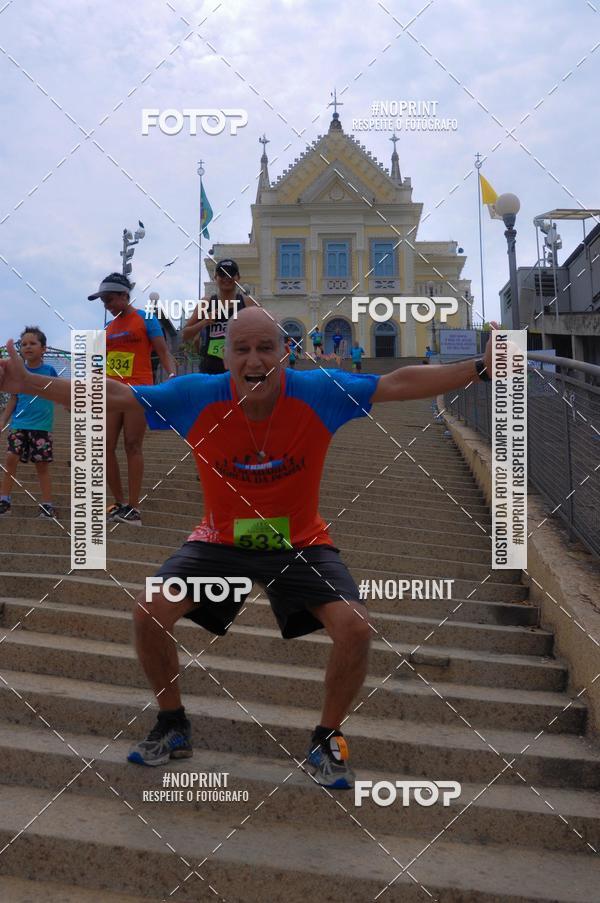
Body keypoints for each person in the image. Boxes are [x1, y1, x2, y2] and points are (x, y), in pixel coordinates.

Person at [0, 309, 497, 789]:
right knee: (149, 611)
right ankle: (173, 722)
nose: (254, 360)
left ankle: (326, 737)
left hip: (299, 542)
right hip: (220, 540)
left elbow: (399, 384)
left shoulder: (320, 391)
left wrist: (478, 367)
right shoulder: (196, 395)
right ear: (227, 355)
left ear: (287, 353)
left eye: (266, 347)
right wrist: (27, 383)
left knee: (355, 628)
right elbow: (115, 393)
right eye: (242, 349)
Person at [88, 272, 177, 526]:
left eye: (110, 299)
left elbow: (163, 351)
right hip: (111, 391)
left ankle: (134, 507)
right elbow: (98, 363)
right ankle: (118, 502)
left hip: (138, 391)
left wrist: (171, 376)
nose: (107, 305)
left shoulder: (146, 319)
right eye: (104, 301)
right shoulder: (108, 328)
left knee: (132, 445)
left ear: (125, 296)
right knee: (104, 447)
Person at [0, 327, 58, 518]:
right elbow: (14, 398)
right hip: (19, 423)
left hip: (41, 427)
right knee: (10, 459)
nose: (27, 347)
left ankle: (47, 504)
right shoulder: (17, 371)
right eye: (24, 344)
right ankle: (4, 500)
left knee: (41, 466)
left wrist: (71, 406)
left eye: (33, 343)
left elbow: (58, 393)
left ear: (44, 348)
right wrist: (3, 421)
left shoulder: (49, 371)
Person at [181, 259, 256, 374]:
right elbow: (185, 335)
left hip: (241, 368)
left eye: (231, 273)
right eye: (222, 274)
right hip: (211, 369)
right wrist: (204, 322)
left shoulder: (249, 303)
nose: (226, 277)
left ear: (238, 278)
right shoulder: (205, 303)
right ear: (215, 277)